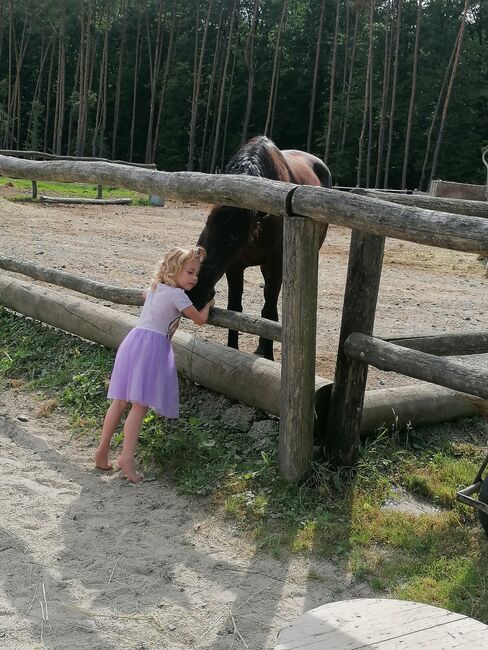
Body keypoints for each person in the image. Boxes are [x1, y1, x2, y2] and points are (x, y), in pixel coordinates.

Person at [95, 245, 213, 482]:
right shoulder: (177, 295)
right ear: (173, 270)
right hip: (152, 347)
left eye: (196, 273)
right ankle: (126, 458)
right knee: (139, 404)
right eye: (190, 272)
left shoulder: (155, 287)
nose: (195, 278)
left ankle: (102, 451)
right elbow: (199, 320)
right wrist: (208, 304)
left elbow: (146, 298)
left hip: (134, 341)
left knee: (120, 400)